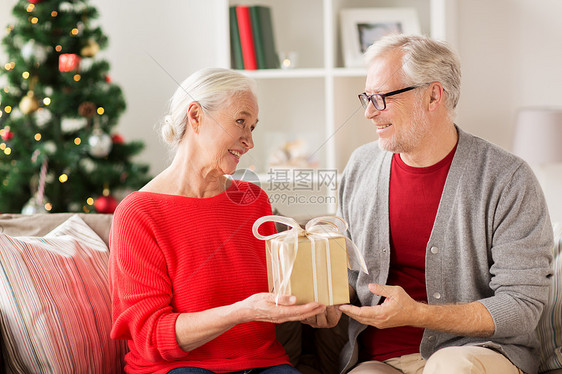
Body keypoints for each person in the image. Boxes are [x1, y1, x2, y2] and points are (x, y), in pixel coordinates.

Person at [305, 34, 554, 374]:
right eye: (367, 98)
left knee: (450, 368)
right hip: (379, 360)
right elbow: (349, 273)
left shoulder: (507, 178)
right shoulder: (360, 167)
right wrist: (328, 300)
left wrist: (420, 314)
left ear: (433, 95)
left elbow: (522, 305)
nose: (367, 113)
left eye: (381, 99)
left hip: (477, 352)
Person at [108, 67, 326, 374]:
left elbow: (282, 287)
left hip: (264, 364)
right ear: (195, 116)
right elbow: (150, 335)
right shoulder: (139, 213)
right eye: (241, 121)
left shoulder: (253, 200)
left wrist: (315, 307)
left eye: (252, 127)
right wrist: (241, 312)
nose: (249, 141)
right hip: (180, 368)